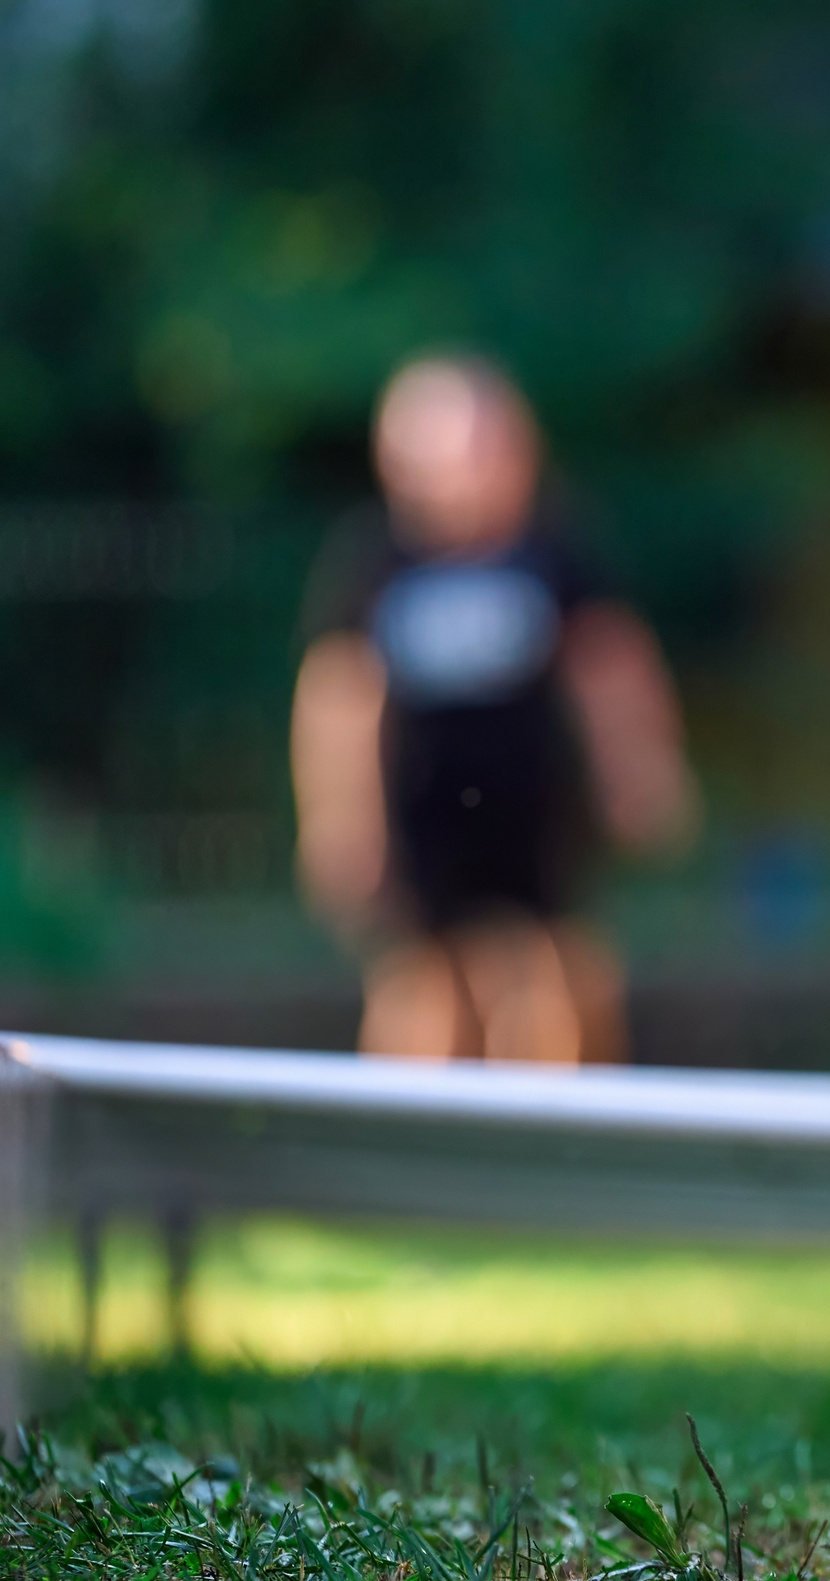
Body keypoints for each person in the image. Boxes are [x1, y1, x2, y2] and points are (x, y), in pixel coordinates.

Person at [291, 355, 697, 1063]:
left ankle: (559, 1143)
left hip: (536, 814)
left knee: (557, 979)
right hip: (426, 818)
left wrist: (639, 771)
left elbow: (611, 668)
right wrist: (339, 820)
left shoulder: (555, 551)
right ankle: (416, 1149)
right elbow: (340, 697)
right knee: (422, 988)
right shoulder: (375, 562)